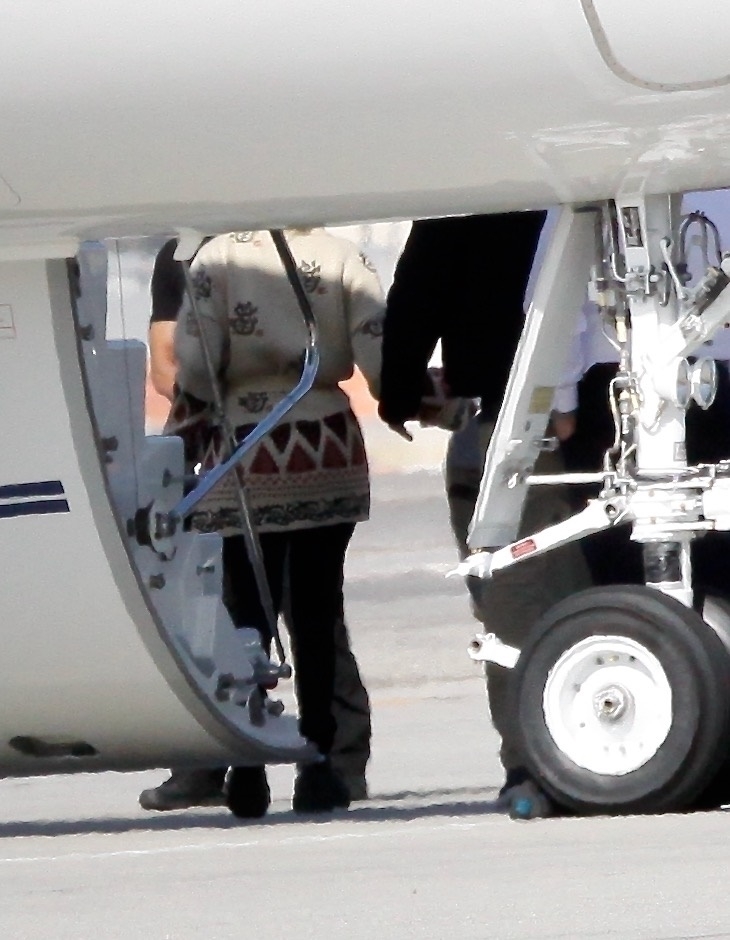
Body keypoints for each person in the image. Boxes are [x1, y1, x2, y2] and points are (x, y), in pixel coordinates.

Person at [143, 228, 383, 815]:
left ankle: (249, 771)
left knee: (244, 616)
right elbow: (377, 350)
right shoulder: (340, 255)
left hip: (247, 450)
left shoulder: (214, 261)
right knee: (317, 611)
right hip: (327, 443)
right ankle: (322, 765)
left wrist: (190, 428)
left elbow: (195, 366)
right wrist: (412, 402)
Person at [378, 212, 591, 802]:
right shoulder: (566, 194)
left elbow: (416, 291)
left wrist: (399, 389)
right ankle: (553, 758)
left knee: (508, 602)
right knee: (534, 597)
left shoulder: (469, 195)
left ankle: (531, 764)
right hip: (564, 425)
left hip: (497, 426)